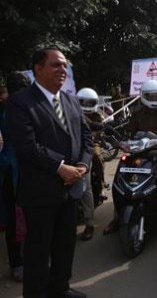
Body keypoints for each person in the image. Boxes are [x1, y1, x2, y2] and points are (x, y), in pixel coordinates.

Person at [6, 47, 92, 298]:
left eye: (64, 65)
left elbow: (85, 136)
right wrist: (59, 167)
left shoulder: (70, 99)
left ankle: (61, 289)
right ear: (38, 69)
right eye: (55, 65)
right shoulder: (21, 102)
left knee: (65, 246)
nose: (62, 70)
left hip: (71, 189)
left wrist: (84, 165)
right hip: (40, 192)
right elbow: (26, 145)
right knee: (38, 251)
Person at [103, 80, 157, 247]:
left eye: (156, 95)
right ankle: (116, 218)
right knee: (120, 182)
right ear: (144, 96)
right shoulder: (136, 113)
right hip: (139, 151)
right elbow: (128, 131)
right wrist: (119, 137)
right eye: (150, 96)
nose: (153, 98)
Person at [0, 71, 31, 283]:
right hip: (10, 174)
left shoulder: (33, 108)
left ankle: (29, 259)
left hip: (30, 172)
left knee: (32, 217)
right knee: (13, 219)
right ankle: (17, 263)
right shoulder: (3, 112)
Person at [75, 87, 105, 241]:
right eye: (83, 102)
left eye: (89, 102)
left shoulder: (97, 116)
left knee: (97, 158)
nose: (86, 104)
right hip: (72, 147)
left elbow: (97, 133)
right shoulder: (71, 112)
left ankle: (89, 223)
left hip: (90, 146)